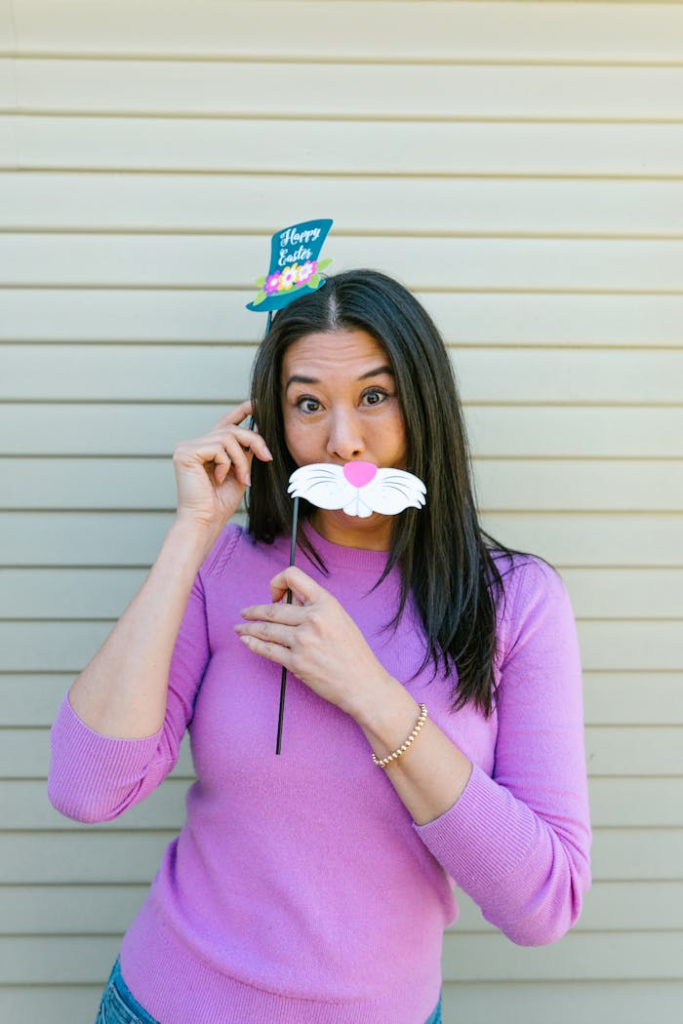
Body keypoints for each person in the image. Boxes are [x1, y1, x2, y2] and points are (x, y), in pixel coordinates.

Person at [48, 269, 591, 1024]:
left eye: (374, 395)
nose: (342, 441)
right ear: (272, 421)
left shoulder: (519, 600)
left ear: (423, 400)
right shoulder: (223, 567)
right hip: (165, 1004)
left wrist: (370, 693)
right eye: (308, 404)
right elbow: (85, 789)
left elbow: (543, 905)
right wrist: (191, 535)